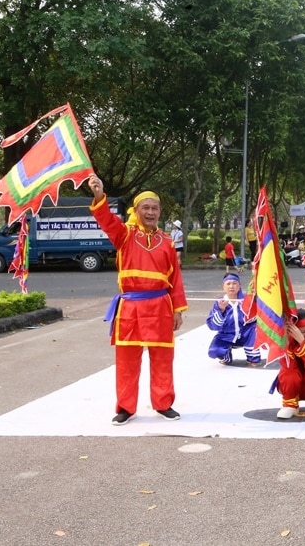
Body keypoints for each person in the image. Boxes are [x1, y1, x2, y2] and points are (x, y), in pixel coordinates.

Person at [88, 176, 187, 425]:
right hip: (130, 308)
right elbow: (107, 221)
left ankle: (163, 404)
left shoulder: (167, 241)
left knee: (163, 359)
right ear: (137, 211)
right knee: (126, 361)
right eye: (146, 208)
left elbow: (175, 278)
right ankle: (125, 408)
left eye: (154, 208)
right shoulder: (124, 235)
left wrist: (178, 310)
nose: (151, 212)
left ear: (160, 211)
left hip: (161, 307)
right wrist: (100, 196)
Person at [205, 273, 261, 366]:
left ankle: (253, 358)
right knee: (214, 351)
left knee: (253, 329)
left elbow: (258, 317)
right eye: (228, 284)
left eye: (235, 283)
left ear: (239, 285)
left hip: (246, 334)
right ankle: (227, 356)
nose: (231, 286)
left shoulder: (247, 300)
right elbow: (213, 326)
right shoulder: (219, 302)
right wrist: (221, 310)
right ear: (223, 286)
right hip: (227, 335)